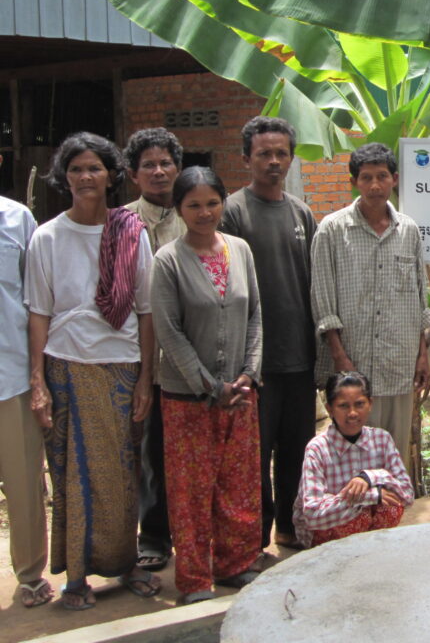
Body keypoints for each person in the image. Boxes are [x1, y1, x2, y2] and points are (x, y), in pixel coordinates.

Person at [26, 132, 160, 610]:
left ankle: (125, 564)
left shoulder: (130, 234)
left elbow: (146, 311)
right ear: (65, 177)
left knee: (124, 473)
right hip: (67, 367)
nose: (86, 177)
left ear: (111, 176)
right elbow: (39, 313)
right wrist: (38, 383)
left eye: (95, 168)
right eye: (77, 169)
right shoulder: (47, 236)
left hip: (122, 368)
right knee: (73, 472)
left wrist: (146, 377)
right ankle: (77, 577)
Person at [149, 167, 263, 605]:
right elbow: (169, 330)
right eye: (193, 205)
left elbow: (254, 315)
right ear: (179, 208)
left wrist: (248, 374)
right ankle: (195, 578)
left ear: (223, 203)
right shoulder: (168, 260)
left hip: (240, 393)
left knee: (238, 484)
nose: (204, 212)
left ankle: (235, 564)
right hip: (187, 397)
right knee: (191, 491)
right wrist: (210, 385)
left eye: (212, 202)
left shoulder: (240, 251)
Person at [220, 116, 318, 551]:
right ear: (247, 159)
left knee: (297, 448)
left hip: (300, 355)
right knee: (253, 456)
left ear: (291, 157)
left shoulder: (301, 212)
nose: (274, 161)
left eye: (281, 153)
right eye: (264, 154)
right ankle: (253, 538)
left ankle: (290, 527)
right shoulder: (233, 212)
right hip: (255, 361)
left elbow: (312, 282)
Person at [310, 142, 430, 470]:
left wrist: (422, 355)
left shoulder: (409, 231)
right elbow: (323, 301)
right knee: (354, 454)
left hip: (399, 361)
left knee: (395, 451)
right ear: (354, 182)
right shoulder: (332, 231)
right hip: (354, 365)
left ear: (394, 179)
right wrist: (341, 358)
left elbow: (419, 298)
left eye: (382, 176)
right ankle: (360, 519)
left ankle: (396, 516)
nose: (375, 185)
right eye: (366, 178)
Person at [123, 126, 186, 573]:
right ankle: (155, 536)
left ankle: (196, 531)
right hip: (145, 360)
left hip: (195, 358)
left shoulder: (197, 214)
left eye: (166, 163)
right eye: (149, 164)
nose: (159, 171)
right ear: (133, 174)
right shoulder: (122, 224)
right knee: (152, 454)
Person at [0, 153, 51, 608]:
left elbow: (36, 300)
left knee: (23, 483)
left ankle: (31, 572)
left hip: (9, 375)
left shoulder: (17, 220)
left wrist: (39, 377)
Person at [293, 371, 414, 547]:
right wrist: (368, 496)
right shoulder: (317, 448)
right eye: (343, 406)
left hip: (365, 527)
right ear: (330, 409)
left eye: (359, 404)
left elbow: (407, 495)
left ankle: (373, 553)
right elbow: (312, 515)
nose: (352, 413)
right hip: (325, 534)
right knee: (362, 513)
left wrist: (370, 476)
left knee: (390, 506)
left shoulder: (382, 439)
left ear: (370, 404)